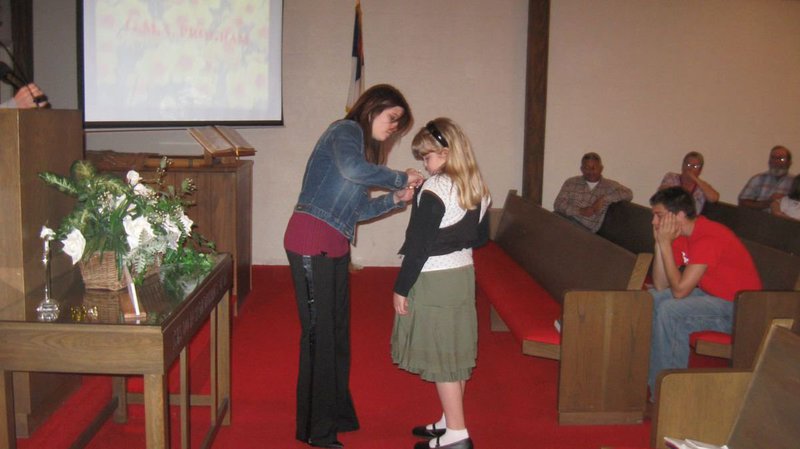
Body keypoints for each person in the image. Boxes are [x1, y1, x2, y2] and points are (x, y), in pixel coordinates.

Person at [284, 84, 424, 449]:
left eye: (399, 123)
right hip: (310, 243)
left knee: (336, 336)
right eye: (393, 118)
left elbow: (359, 210)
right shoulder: (344, 131)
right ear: (373, 107)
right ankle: (318, 430)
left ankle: (337, 413)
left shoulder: (362, 155)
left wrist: (396, 199)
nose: (394, 127)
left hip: (334, 247)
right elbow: (350, 168)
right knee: (319, 338)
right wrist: (398, 177)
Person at [391, 118, 491, 449]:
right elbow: (480, 237)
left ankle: (457, 435)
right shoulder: (477, 185)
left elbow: (418, 246)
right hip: (463, 275)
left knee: (442, 357)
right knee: (454, 350)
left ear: (446, 153)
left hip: (433, 278)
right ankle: (450, 420)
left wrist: (401, 287)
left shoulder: (435, 189)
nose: (425, 163)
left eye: (428, 157)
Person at [647, 187, 761, 397]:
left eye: (659, 216)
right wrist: (659, 244)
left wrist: (664, 245)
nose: (654, 222)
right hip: (714, 297)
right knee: (653, 299)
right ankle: (655, 379)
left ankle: (671, 393)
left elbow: (679, 292)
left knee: (672, 310)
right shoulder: (681, 234)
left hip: (739, 311)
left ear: (679, 215)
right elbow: (662, 285)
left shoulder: (709, 236)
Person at [553, 152, 633, 232]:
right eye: (586, 168)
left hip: (585, 230)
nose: (590, 172)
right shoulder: (571, 182)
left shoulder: (610, 186)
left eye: (594, 168)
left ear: (601, 168)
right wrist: (580, 211)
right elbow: (558, 204)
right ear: (582, 169)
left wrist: (603, 199)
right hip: (564, 220)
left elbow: (628, 194)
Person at [738, 145, 793, 212]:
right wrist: (768, 203)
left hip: (784, 221)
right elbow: (742, 203)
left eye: (781, 159)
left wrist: (785, 200)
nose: (776, 161)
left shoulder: (795, 183)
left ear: (789, 163)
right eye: (773, 158)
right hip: (758, 219)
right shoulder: (757, 179)